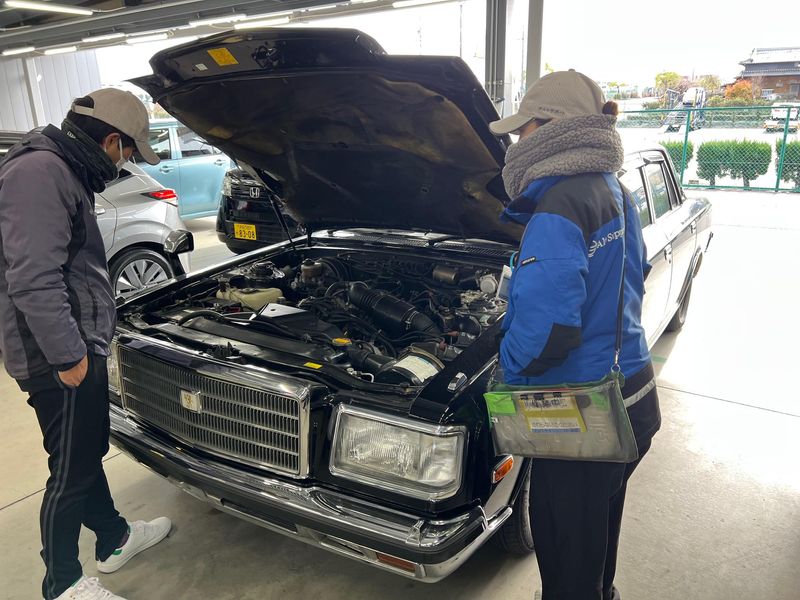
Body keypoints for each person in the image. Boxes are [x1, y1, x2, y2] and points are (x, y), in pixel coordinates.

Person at [489, 71, 661, 600]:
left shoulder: (559, 206)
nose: (517, 140)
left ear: (551, 128)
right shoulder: (615, 191)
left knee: (565, 554)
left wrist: (502, 372)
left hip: (582, 416)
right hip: (634, 396)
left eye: (523, 128)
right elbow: (635, 275)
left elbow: (548, 335)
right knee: (595, 537)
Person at [0, 88, 172, 600]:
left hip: (73, 341)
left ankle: (114, 537)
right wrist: (68, 355)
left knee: (82, 450)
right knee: (70, 468)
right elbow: (33, 278)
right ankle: (63, 583)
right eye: (129, 152)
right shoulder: (41, 173)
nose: (126, 162)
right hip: (56, 351)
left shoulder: (59, 166)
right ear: (112, 141)